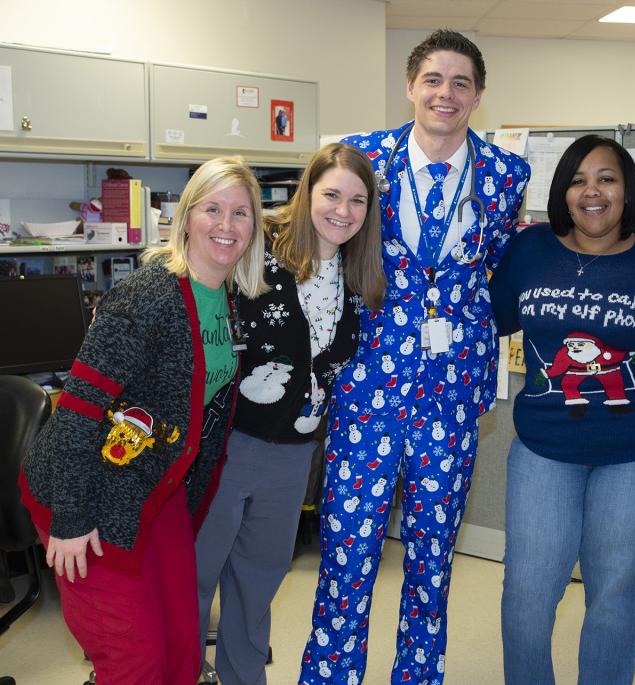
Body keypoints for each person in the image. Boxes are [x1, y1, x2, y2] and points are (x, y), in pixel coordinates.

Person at [298, 30, 529, 684]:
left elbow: (494, 268)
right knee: (347, 562)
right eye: (433, 79)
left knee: (431, 567)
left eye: (460, 82)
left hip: (451, 399)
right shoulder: (361, 158)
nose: (445, 93)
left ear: (478, 96)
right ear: (410, 86)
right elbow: (317, 247)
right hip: (367, 391)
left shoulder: (506, 175)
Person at [19, 156, 267, 685]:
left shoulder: (229, 297)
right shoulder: (148, 296)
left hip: (155, 488)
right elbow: (79, 409)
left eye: (241, 213)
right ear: (186, 218)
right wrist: (71, 518)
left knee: (182, 648)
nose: (226, 226)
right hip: (88, 490)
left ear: (254, 227)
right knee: (134, 660)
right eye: (213, 209)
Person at [491, 135, 635, 685]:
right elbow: (488, 318)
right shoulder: (528, 250)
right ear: (562, 192)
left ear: (627, 192)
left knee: (613, 591)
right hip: (544, 449)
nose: (591, 191)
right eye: (578, 179)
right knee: (528, 591)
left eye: (606, 178)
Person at [195, 144, 385, 684]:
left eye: (357, 200)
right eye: (331, 194)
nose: (343, 211)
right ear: (307, 193)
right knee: (195, 582)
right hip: (229, 445)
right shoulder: (259, 250)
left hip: (294, 457)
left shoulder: (358, 276)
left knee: (257, 586)